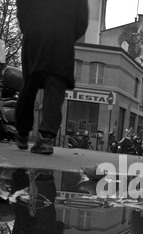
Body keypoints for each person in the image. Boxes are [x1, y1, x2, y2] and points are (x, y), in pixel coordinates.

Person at [15, 0, 89, 155]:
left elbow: (22, 6)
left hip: (35, 32)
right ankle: (46, 138)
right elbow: (82, 20)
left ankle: (22, 132)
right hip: (63, 36)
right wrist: (68, 34)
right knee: (56, 84)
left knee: (30, 81)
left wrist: (28, 26)